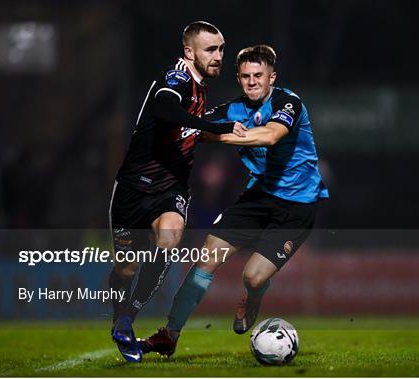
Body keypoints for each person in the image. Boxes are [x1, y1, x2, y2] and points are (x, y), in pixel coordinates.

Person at [138, 44, 328, 357]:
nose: (252, 81)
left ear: (271, 77)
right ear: (239, 79)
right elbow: (196, 129)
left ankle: (253, 298)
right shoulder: (232, 109)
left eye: (258, 75)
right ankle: (169, 335)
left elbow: (269, 136)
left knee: (252, 277)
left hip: (297, 206)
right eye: (245, 76)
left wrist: (225, 135)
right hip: (257, 197)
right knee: (206, 259)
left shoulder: (288, 102)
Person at [108, 21, 246, 363]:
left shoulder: (201, 87)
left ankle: (128, 318)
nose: (218, 57)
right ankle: (118, 315)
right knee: (126, 269)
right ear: (189, 52)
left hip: (170, 187)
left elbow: (189, 124)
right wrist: (215, 126)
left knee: (169, 240)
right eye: (210, 50)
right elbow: (164, 108)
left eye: (221, 49)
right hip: (132, 188)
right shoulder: (179, 78)